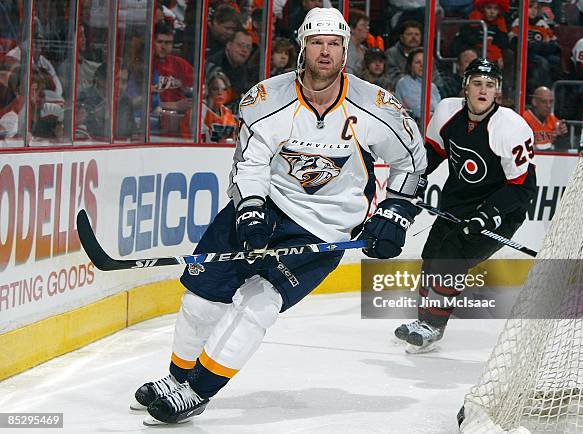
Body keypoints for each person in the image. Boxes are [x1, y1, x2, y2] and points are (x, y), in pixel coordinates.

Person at [131, 7, 427, 425]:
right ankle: (176, 377)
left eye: (335, 45)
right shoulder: (266, 98)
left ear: (346, 53)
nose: (325, 53)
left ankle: (196, 392)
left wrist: (395, 212)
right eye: (317, 44)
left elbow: (413, 162)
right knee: (200, 300)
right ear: (302, 48)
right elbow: (249, 163)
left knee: (258, 303)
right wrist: (250, 211)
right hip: (266, 204)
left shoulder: (378, 107)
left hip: (325, 227)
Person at [394, 58, 537, 353]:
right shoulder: (447, 111)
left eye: (490, 85)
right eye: (477, 84)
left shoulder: (510, 127)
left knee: (451, 256)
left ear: (497, 91)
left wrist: (489, 214)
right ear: (465, 87)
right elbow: (431, 153)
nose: (483, 90)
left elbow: (523, 188)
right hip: (457, 204)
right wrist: (414, 183)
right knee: (431, 255)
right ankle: (423, 320)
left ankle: (434, 326)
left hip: (501, 210)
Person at [395, 47, 442, 122]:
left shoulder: (432, 86)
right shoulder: (404, 83)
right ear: (410, 66)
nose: (422, 65)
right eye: (418, 62)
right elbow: (418, 111)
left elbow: (439, 108)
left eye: (425, 62)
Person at [523, 86, 568, 151]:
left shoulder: (554, 121)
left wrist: (562, 136)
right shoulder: (523, 119)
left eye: (551, 102)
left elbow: (564, 150)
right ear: (534, 102)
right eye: (544, 102)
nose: (548, 105)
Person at [386, 20, 423, 88]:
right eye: (409, 34)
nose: (414, 37)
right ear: (401, 37)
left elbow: (436, 79)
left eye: (417, 34)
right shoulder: (391, 53)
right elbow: (392, 78)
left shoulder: (426, 54)